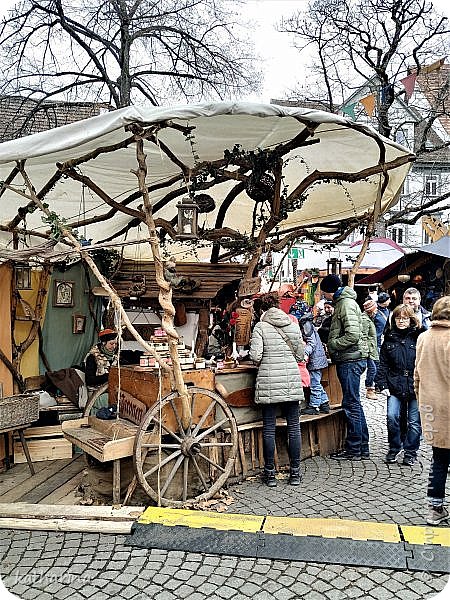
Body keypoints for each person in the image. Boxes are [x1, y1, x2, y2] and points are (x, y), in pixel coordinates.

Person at [249, 292, 305, 487]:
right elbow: (300, 354)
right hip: (290, 380)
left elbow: (255, 356)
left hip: (269, 381)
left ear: (263, 310)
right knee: (294, 427)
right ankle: (295, 473)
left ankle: (270, 474)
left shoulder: (260, 327)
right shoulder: (292, 324)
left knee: (269, 429)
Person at [320, 274, 370, 460]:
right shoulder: (344, 302)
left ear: (329, 290)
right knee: (354, 403)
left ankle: (355, 449)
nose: (323, 295)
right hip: (350, 359)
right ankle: (362, 448)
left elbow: (353, 335)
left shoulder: (345, 304)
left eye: (324, 292)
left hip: (350, 360)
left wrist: (333, 344)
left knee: (351, 404)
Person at [414, 295, 450, 525]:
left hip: (433, 409)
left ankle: (435, 509)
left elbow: (417, 375)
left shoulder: (423, 338)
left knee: (439, 460)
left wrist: (422, 401)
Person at [375, 304, 424, 466]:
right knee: (392, 417)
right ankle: (395, 447)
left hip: (415, 385)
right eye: (398, 318)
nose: (401, 321)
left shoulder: (420, 336)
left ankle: (411, 452)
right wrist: (381, 383)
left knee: (414, 421)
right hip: (394, 384)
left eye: (404, 318)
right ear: (393, 319)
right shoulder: (389, 337)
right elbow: (383, 363)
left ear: (411, 319)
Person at [290, 300, 330, 415]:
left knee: (314, 383)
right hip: (317, 358)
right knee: (316, 381)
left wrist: (305, 354)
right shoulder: (307, 323)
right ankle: (324, 403)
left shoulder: (305, 324)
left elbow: (311, 343)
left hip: (314, 359)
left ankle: (314, 406)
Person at [361, 298, 379, 400]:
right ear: (370, 310)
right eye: (375, 309)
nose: (376, 311)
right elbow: (363, 336)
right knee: (372, 369)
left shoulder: (369, 318)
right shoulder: (365, 320)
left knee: (374, 368)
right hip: (368, 350)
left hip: (372, 349)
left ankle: (371, 388)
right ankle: (369, 389)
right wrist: (366, 350)